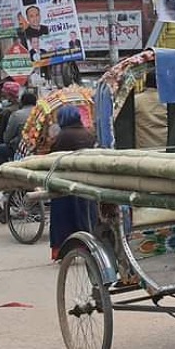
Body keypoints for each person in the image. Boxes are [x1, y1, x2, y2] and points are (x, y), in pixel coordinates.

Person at [48, 104, 97, 260]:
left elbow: (54, 158)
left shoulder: (64, 136)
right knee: (86, 217)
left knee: (62, 216)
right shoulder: (89, 134)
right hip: (88, 182)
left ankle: (63, 249)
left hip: (67, 183)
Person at [134, 73, 167, 149]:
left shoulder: (136, 100)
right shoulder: (169, 101)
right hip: (167, 146)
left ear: (145, 82)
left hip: (144, 148)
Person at [3, 91, 37, 157]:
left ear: (21, 102)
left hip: (21, 149)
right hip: (40, 147)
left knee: (1, 148)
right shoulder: (41, 113)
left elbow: (7, 138)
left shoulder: (16, 115)